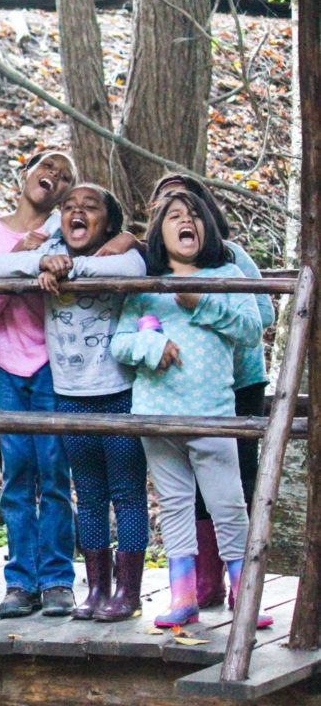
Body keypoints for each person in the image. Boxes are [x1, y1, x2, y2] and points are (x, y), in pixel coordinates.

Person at [0, 184, 150, 622]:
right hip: (70, 395)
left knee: (126, 494)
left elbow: (134, 264)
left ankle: (128, 593)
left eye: (89, 208)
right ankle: (96, 589)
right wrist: (41, 261)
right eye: (69, 207)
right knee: (89, 495)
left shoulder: (118, 254)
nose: (78, 212)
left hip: (117, 393)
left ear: (108, 223)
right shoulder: (50, 248)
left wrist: (72, 269)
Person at [110, 190, 271, 629]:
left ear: (210, 227)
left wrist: (201, 302)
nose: (188, 222)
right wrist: (152, 345)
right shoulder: (148, 285)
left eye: (196, 216)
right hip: (156, 416)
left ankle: (245, 592)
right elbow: (120, 342)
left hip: (213, 413)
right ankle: (182, 597)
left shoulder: (229, 274)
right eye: (175, 216)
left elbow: (251, 328)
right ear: (159, 232)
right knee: (176, 505)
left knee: (228, 504)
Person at [149, 174, 276, 610]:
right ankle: (203, 583)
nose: (178, 213)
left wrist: (204, 302)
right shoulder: (154, 265)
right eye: (166, 205)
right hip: (180, 385)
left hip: (238, 380)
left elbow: (263, 312)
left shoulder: (230, 257)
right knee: (188, 489)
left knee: (234, 481)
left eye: (187, 205)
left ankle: (243, 581)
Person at [0, 151, 79, 619]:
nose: (53, 177)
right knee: (17, 475)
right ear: (24, 175)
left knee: (55, 472)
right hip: (7, 362)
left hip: (54, 361)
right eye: (47, 168)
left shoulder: (68, 231)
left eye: (64, 176)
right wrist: (21, 261)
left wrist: (52, 264)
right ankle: (19, 581)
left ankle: (56, 580)